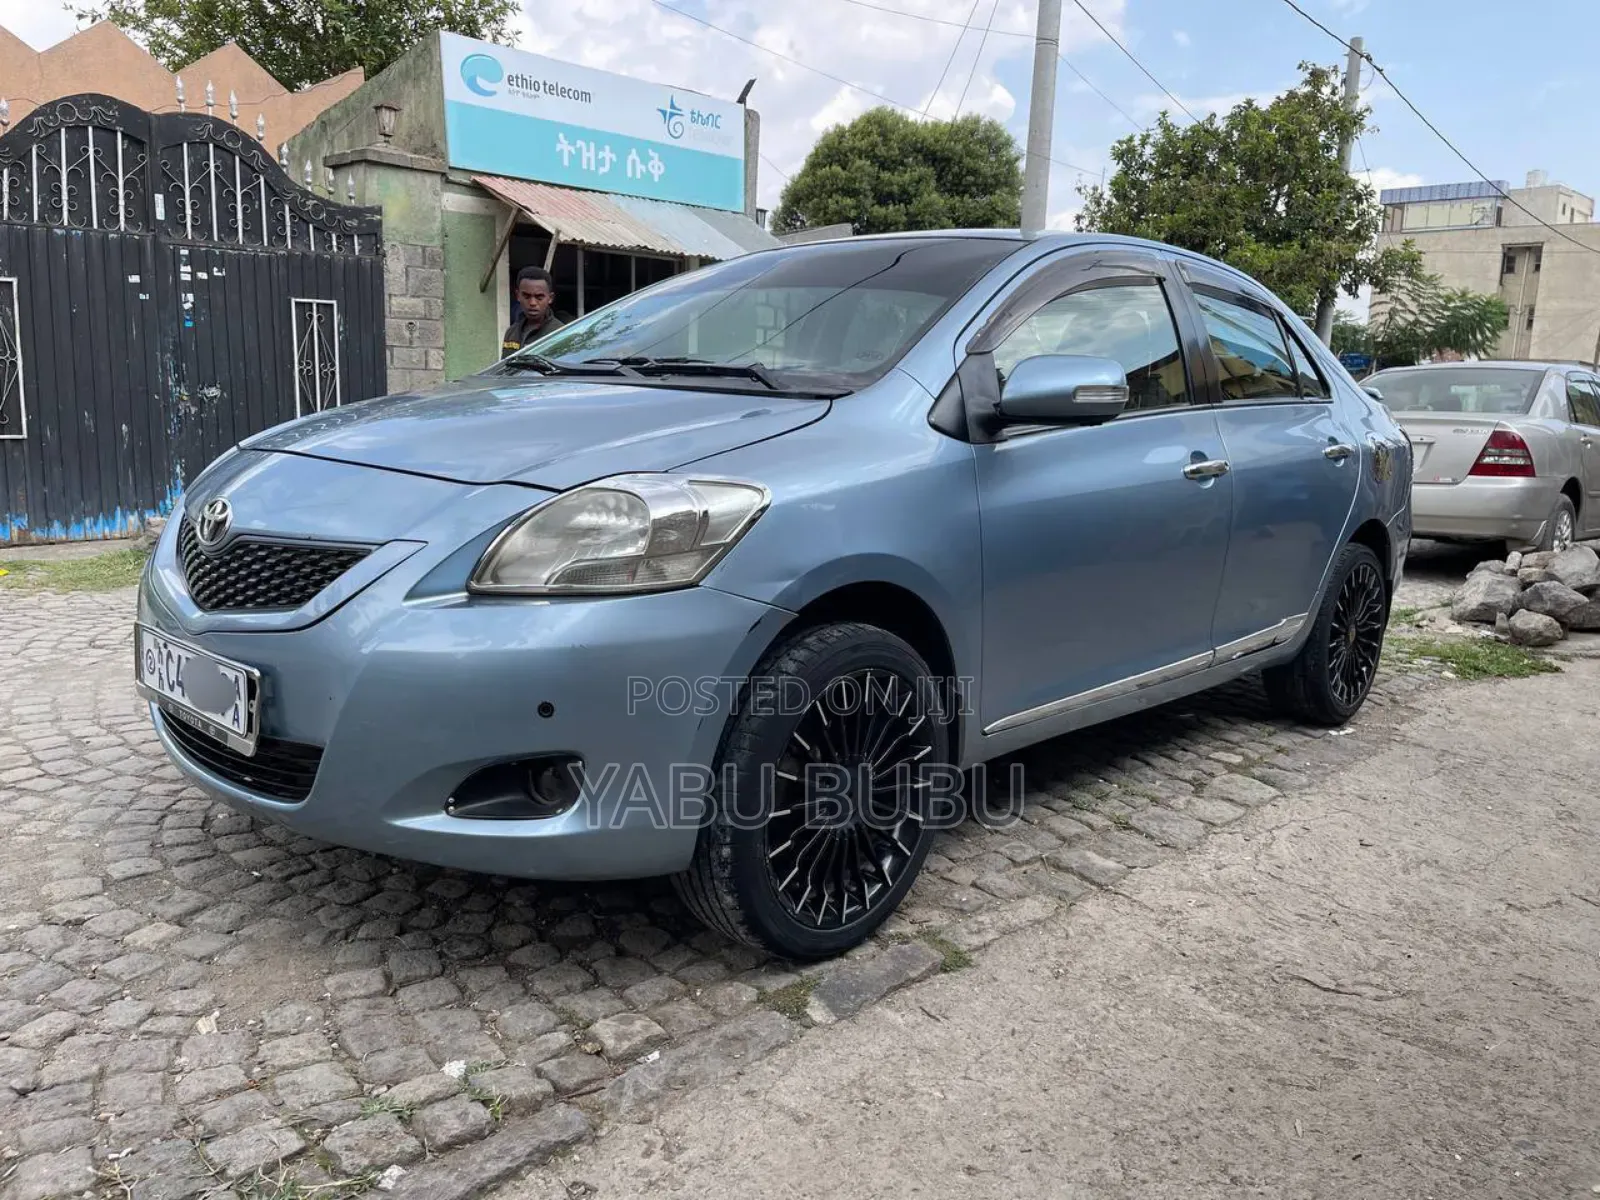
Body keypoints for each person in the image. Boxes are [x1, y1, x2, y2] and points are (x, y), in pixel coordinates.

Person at [502, 266, 565, 356]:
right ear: (518, 296)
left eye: (539, 297)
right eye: (526, 296)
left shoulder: (560, 334)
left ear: (550, 298)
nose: (532, 303)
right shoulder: (511, 333)